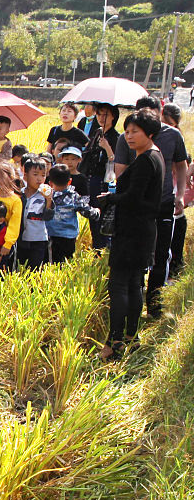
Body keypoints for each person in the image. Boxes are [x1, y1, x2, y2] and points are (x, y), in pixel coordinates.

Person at [91, 111, 165, 360]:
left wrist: (110, 197)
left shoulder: (146, 161)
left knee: (120, 285)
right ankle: (130, 338)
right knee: (134, 284)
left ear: (150, 134)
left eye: (135, 131)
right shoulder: (153, 156)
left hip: (133, 232)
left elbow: (134, 198)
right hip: (142, 231)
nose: (129, 136)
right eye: (128, 131)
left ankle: (113, 342)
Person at [113, 96, 189, 318]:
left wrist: (180, 195)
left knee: (161, 254)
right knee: (138, 262)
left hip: (164, 202)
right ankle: (134, 312)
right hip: (137, 209)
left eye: (150, 112)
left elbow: (181, 165)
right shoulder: (127, 137)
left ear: (159, 112)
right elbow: (121, 172)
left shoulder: (172, 136)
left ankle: (155, 306)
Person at [80, 103, 120, 249]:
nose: (102, 118)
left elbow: (117, 161)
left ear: (113, 116)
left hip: (106, 180)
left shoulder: (117, 137)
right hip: (91, 178)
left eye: (106, 115)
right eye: (99, 114)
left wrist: (107, 148)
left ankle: (104, 246)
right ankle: (96, 245)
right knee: (93, 214)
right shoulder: (96, 133)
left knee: (104, 214)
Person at [44, 165, 98, 264]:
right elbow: (86, 210)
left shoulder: (47, 197)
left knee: (51, 262)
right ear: (69, 181)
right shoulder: (74, 197)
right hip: (69, 237)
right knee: (66, 262)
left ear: (50, 183)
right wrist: (97, 212)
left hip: (51, 235)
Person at [162, 103, 189, 277]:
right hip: (162, 199)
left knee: (173, 241)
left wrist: (180, 195)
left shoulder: (176, 139)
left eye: (168, 122)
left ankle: (174, 271)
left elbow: (182, 167)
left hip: (173, 200)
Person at [19, 156, 53, 269]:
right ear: (25, 175)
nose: (39, 179)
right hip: (21, 239)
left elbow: (48, 217)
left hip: (38, 240)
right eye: (35, 174)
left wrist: (48, 200)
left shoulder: (45, 196)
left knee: (35, 270)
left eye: (43, 175)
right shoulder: (19, 194)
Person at [0, 158, 22, 269]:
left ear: (12, 178)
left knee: (5, 269)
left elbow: (14, 224)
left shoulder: (15, 200)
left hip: (5, 243)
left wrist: (8, 244)